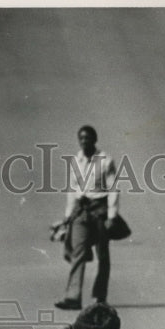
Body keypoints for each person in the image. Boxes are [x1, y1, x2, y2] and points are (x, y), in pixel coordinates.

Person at [54, 126, 119, 311]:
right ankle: (73, 297)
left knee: (103, 254)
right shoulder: (76, 161)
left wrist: (112, 216)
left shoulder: (106, 161)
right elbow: (72, 189)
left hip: (99, 210)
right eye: (81, 138)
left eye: (88, 138)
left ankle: (99, 296)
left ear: (94, 139)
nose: (84, 141)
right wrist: (68, 216)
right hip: (81, 210)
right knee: (77, 252)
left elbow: (113, 189)